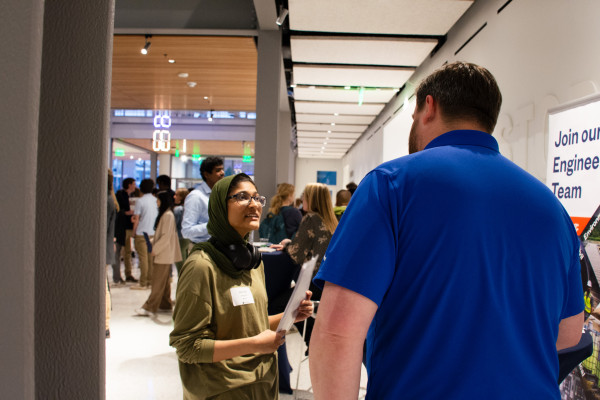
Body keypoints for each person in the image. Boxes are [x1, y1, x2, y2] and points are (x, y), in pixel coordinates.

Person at [309, 62, 584, 399]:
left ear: (429, 106)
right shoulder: (553, 209)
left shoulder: (391, 185)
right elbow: (569, 334)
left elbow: (337, 333)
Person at [169, 173, 313, 399]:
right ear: (219, 206)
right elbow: (189, 346)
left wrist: (290, 315)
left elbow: (247, 324)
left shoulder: (253, 263)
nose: (254, 204)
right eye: (242, 197)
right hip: (222, 390)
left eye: (257, 198)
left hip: (261, 383)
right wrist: (255, 344)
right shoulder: (201, 266)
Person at [271, 183, 338, 348]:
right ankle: (314, 341)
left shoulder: (310, 218)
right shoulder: (332, 221)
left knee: (278, 306)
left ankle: (312, 341)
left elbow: (296, 253)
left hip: (312, 282)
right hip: (327, 281)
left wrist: (287, 245)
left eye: (304, 195)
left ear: (311, 198)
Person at [135, 191, 182, 316]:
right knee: (164, 281)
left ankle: (149, 307)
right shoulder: (168, 214)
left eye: (158, 200)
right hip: (165, 253)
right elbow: (164, 235)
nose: (157, 202)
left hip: (163, 254)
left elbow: (166, 237)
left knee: (157, 281)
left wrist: (155, 248)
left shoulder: (167, 215)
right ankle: (164, 304)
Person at [181, 156, 225, 249]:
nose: (222, 173)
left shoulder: (219, 194)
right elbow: (186, 231)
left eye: (222, 169)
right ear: (206, 174)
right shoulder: (196, 196)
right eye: (218, 170)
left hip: (219, 249)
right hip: (201, 249)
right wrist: (214, 225)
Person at [131, 178, 158, 290]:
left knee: (143, 259)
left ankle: (143, 282)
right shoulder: (156, 200)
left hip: (142, 232)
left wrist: (133, 232)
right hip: (153, 232)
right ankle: (150, 281)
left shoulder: (140, 201)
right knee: (151, 258)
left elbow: (136, 218)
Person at [113, 177, 138, 284]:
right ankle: (117, 277)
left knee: (127, 252)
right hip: (121, 229)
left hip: (129, 227)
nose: (135, 186)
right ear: (129, 184)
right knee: (119, 253)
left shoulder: (132, 196)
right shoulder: (120, 195)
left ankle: (128, 274)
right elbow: (119, 211)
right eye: (133, 184)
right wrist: (127, 213)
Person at [106, 169, 118, 338]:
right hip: (107, 246)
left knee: (102, 287)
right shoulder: (111, 200)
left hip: (104, 247)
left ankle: (105, 323)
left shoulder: (107, 201)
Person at [173, 187, 190, 275]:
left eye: (177, 195)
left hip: (179, 237)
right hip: (187, 237)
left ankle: (182, 279)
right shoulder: (189, 208)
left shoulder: (178, 210)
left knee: (179, 259)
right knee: (185, 257)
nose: (174, 197)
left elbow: (173, 225)